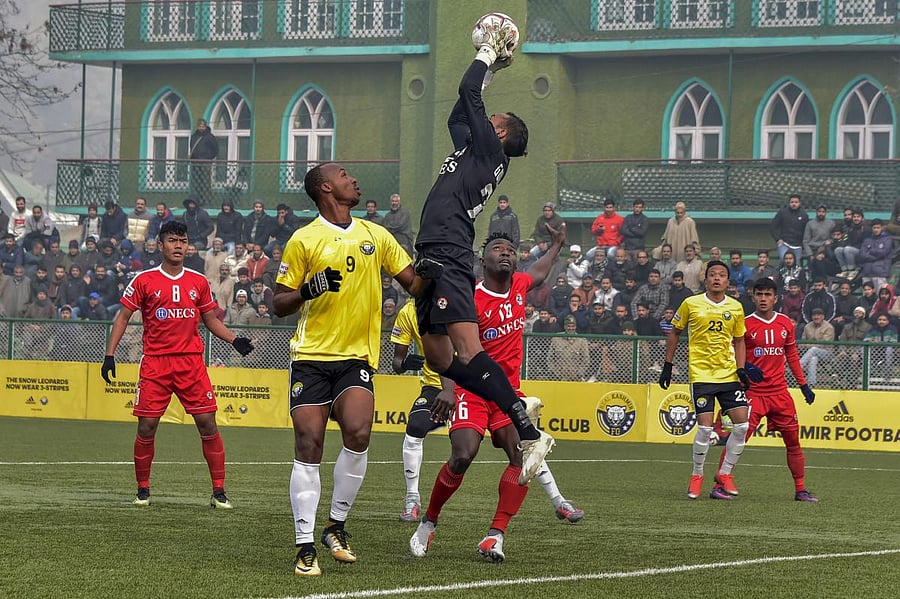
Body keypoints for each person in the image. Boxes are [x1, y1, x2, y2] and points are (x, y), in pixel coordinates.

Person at [271, 162, 430, 577]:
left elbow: (415, 284)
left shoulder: (376, 235)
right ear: (326, 187)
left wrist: (440, 262)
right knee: (310, 443)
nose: (353, 179)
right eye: (344, 175)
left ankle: (335, 526)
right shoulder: (303, 239)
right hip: (310, 357)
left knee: (359, 433)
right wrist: (308, 289)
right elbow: (278, 303)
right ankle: (304, 545)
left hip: (356, 358)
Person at [412, 43, 553, 488]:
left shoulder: (490, 150)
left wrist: (487, 54)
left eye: (493, 121)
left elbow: (467, 89)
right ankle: (517, 407)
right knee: (438, 356)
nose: (486, 121)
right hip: (434, 252)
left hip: (450, 251)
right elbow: (459, 116)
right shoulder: (477, 150)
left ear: (502, 134)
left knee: (470, 353)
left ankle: (524, 426)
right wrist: (485, 80)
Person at [409, 230, 582, 562]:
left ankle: (494, 535)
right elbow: (447, 350)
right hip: (471, 391)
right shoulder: (469, 298)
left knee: (522, 460)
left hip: (508, 394)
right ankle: (428, 524)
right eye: (498, 249)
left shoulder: (519, 285)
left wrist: (559, 244)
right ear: (482, 259)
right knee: (463, 454)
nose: (506, 253)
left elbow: (541, 270)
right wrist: (447, 390)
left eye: (511, 250)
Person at [100, 221, 255, 509]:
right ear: (161, 245)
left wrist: (234, 340)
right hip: (155, 365)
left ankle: (219, 491)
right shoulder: (144, 280)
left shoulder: (198, 281)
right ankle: (143, 490)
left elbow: (210, 321)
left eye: (182, 240)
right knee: (146, 426)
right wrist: (110, 355)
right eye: (172, 240)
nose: (179, 245)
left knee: (207, 423)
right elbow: (122, 317)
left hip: (190, 364)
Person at [710, 278, 817, 502]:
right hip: (753, 393)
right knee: (738, 438)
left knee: (793, 441)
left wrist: (803, 384)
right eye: (759, 294)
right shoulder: (744, 323)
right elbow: (729, 352)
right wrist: (746, 366)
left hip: (779, 393)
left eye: (768, 295)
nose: (763, 298)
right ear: (753, 297)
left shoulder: (786, 323)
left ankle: (800, 489)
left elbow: (793, 356)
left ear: (775, 298)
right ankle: (719, 485)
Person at [658, 260, 752, 499]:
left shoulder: (736, 307)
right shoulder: (691, 303)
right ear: (706, 279)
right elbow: (675, 332)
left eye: (722, 275)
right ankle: (697, 475)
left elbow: (739, 339)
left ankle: (725, 473)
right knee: (705, 429)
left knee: (742, 426)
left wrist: (741, 369)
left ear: (728, 281)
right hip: (701, 375)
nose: (717, 278)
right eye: (713, 275)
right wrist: (668, 366)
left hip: (729, 375)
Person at [799, 308, 835, 386]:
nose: (816, 317)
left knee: (813, 349)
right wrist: (807, 345)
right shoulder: (807, 326)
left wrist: (809, 345)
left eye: (818, 315)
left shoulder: (829, 327)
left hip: (826, 353)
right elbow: (802, 342)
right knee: (813, 359)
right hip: (810, 354)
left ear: (822, 317)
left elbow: (824, 343)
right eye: (814, 315)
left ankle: (799, 367)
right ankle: (811, 383)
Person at [770, 194, 809, 263]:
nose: (794, 204)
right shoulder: (782, 212)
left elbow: (806, 231)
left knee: (796, 264)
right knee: (784, 260)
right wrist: (777, 239)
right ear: (789, 203)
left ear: (799, 203)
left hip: (798, 245)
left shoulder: (804, 215)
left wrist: (803, 244)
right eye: (792, 202)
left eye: (796, 202)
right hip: (784, 243)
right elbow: (773, 226)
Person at [859, 219, 893, 292]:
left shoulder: (887, 239)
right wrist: (875, 256)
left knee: (881, 297)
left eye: (878, 227)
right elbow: (862, 254)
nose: (876, 230)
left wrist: (870, 251)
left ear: (882, 228)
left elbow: (883, 252)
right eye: (874, 228)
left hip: (880, 273)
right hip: (867, 273)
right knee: (867, 297)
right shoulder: (867, 240)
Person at [189, 118, 218, 204]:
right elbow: (192, 148)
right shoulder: (194, 137)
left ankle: (206, 200)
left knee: (205, 182)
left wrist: (209, 158)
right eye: (200, 126)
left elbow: (215, 149)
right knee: (197, 182)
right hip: (196, 162)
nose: (201, 128)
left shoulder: (210, 137)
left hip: (206, 162)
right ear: (197, 127)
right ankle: (197, 200)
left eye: (203, 126)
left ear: (205, 127)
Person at [382, 193, 415, 257]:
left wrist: (390, 228)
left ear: (399, 202)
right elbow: (384, 227)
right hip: (391, 242)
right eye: (393, 201)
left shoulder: (405, 212)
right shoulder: (388, 215)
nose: (394, 203)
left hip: (404, 241)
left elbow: (400, 226)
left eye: (396, 201)